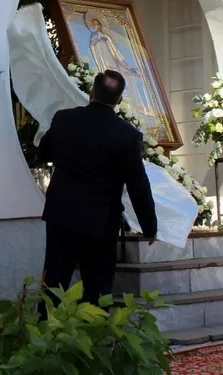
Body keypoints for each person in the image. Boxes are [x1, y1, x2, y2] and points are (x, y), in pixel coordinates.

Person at [38, 70, 157, 309]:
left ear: (91, 92)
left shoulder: (64, 119)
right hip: (99, 220)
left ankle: (46, 336)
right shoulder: (126, 135)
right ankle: (94, 340)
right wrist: (149, 226)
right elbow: (138, 184)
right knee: (97, 287)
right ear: (119, 100)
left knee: (54, 282)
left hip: (62, 215)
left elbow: (44, 153)